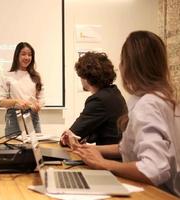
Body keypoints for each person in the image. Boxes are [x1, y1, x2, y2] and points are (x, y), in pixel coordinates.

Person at [72, 31, 180, 196]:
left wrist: (104, 164)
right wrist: (95, 151)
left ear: (129, 66)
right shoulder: (164, 99)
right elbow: (128, 147)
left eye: (122, 61)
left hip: (155, 194)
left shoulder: (148, 104)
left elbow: (153, 169)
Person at [60, 52, 127, 146]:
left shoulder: (98, 100)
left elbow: (71, 137)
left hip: (108, 158)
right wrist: (86, 136)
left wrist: (67, 136)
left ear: (86, 77)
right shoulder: (114, 93)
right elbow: (105, 129)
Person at [0, 42, 44, 136]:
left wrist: (38, 105)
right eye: (23, 54)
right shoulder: (7, 76)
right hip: (14, 117)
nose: (27, 57)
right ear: (17, 55)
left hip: (33, 118)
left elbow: (41, 99)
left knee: (34, 149)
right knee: (13, 147)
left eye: (30, 55)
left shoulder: (36, 76)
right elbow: (0, 101)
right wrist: (16, 101)